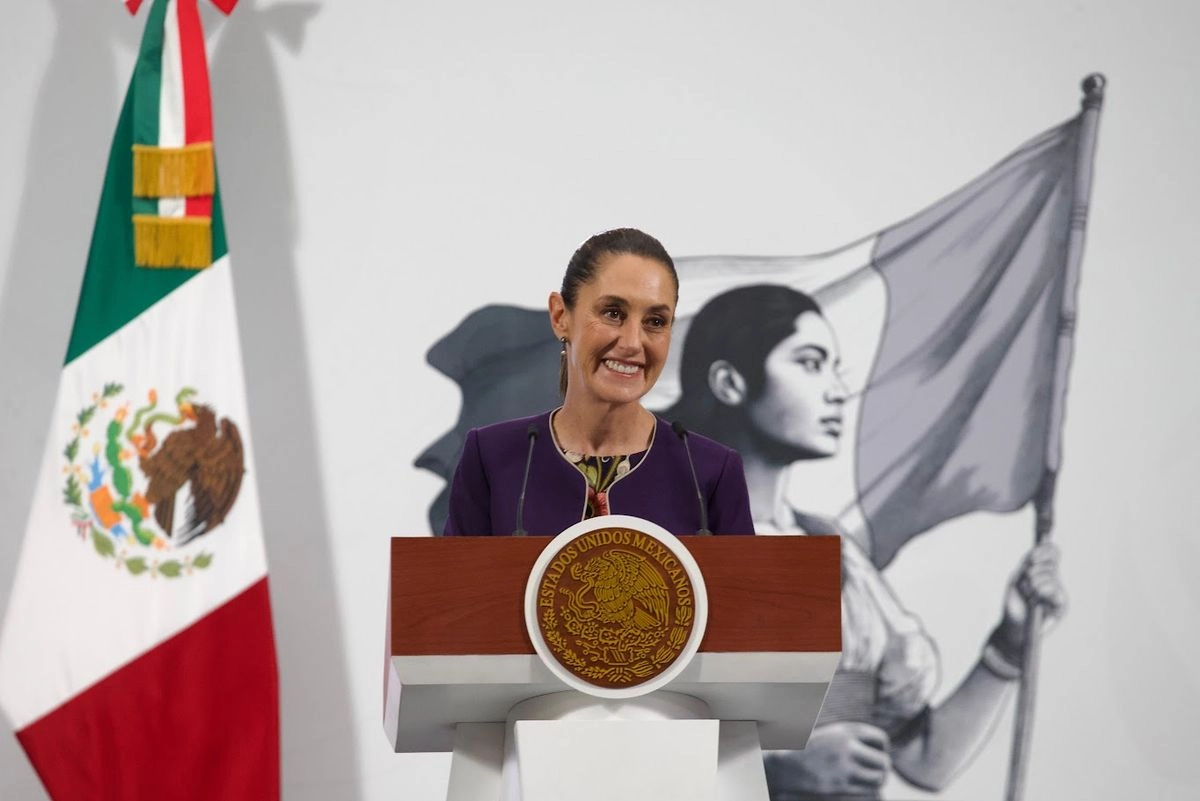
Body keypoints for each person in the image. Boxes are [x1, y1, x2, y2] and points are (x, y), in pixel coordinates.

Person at [664, 284, 1067, 799]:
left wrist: (1009, 642)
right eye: (810, 364)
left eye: (835, 368)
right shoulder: (664, 546)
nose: (836, 390)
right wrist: (775, 772)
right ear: (729, 382)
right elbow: (604, 749)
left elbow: (924, 760)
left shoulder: (832, 550)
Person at [442, 227, 755, 537]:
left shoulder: (712, 472)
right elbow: (453, 586)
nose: (633, 342)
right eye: (613, 313)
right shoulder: (491, 457)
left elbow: (743, 588)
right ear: (560, 316)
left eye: (655, 321)